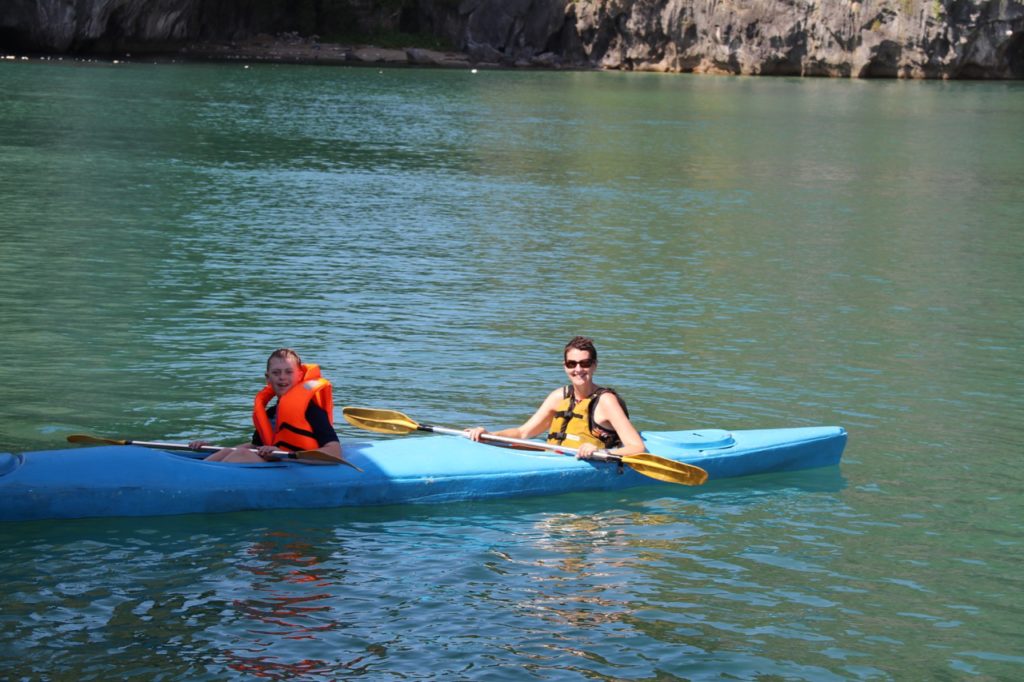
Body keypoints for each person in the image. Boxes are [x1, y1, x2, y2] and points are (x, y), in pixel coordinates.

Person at [466, 336, 646, 460]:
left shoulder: (606, 401)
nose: (578, 369)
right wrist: (490, 435)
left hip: (592, 463)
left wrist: (600, 451)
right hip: (555, 458)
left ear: (594, 366)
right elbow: (524, 433)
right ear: (565, 366)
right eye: (572, 364)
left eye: (585, 363)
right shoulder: (559, 396)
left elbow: (637, 447)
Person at [190, 348, 342, 463]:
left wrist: (282, 455)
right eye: (276, 373)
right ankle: (200, 468)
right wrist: (212, 449)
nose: (282, 377)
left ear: (299, 376)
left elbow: (334, 452)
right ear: (268, 378)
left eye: (288, 372)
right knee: (235, 450)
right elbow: (256, 446)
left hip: (295, 466)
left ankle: (200, 478)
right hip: (273, 463)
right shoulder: (270, 414)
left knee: (241, 454)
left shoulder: (313, 412)